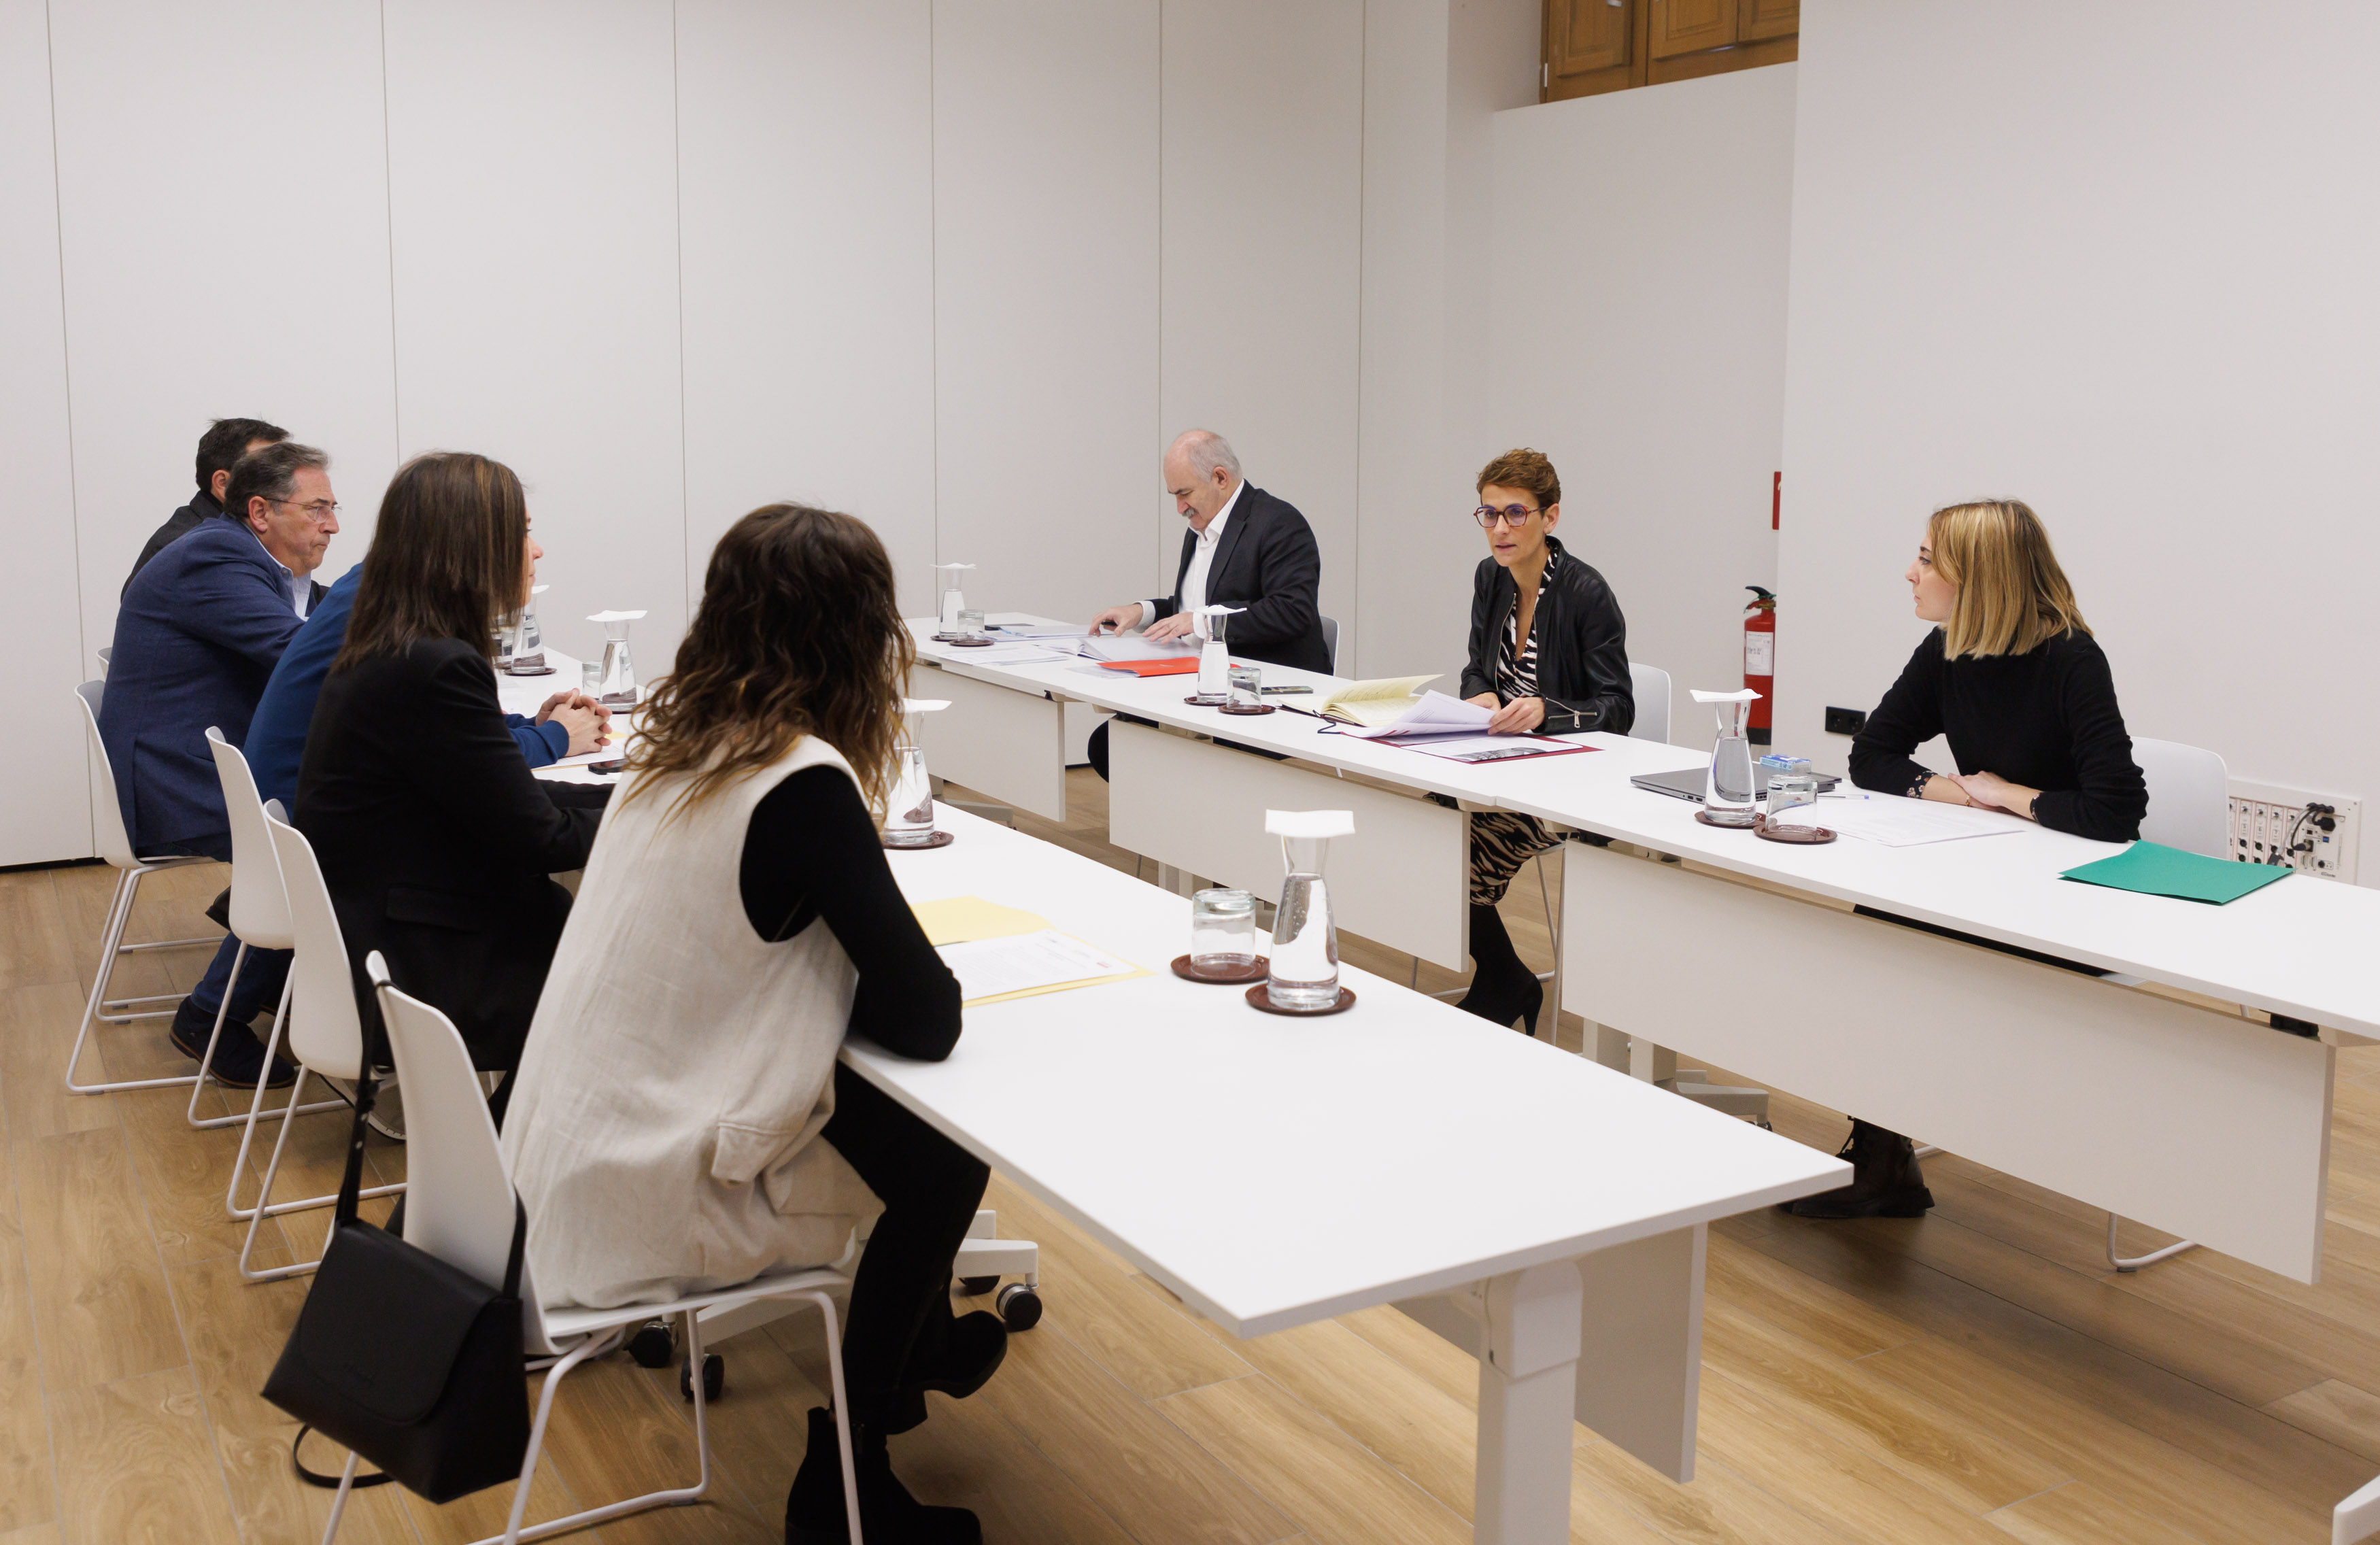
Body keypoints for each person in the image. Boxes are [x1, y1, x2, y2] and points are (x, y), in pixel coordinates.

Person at [501, 504, 996, 1545]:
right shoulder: (803, 783)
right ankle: (850, 1476)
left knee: (912, 1145)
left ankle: (916, 1357)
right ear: (861, 640)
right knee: (945, 1166)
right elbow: (929, 1018)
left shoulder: (678, 750)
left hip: (565, 1153)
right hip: (648, 1183)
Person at [1796, 498, 2146, 1220]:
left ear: (1976, 575)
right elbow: (1872, 754)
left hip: (2061, 902)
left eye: (1925, 559)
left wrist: (2010, 794)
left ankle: (1888, 1151)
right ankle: (1881, 1151)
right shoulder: (1950, 649)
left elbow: (2115, 810)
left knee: (1892, 946)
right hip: (1984, 874)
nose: (1909, 573)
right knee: (1874, 930)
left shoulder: (2070, 659)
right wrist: (1949, 794)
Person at [294, 453, 609, 1121]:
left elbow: (502, 800)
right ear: (474, 547)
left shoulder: (393, 645)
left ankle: (518, 1156)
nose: (537, 550)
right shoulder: (436, 667)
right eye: (522, 532)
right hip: (419, 964)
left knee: (573, 923)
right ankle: (521, 1166)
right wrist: (652, 809)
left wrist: (620, 795)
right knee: (616, 968)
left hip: (374, 930)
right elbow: (540, 837)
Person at [104, 441, 340, 1087]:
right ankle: (213, 1012)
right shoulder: (218, 556)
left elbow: (322, 628)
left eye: (332, 507)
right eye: (317, 508)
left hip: (200, 756)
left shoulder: (254, 559)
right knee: (325, 836)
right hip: (176, 777)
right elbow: (302, 655)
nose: (333, 524)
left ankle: (273, 955)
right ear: (259, 511)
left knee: (331, 816)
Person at [1454, 449, 1632, 1032]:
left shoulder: (1586, 592)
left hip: (1564, 784)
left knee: (1457, 855)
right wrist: (1481, 693)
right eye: (1488, 514)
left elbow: (1618, 708)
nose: (1500, 529)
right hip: (1497, 765)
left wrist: (1544, 713)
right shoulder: (1491, 577)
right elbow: (1477, 668)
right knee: (1422, 826)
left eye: (1515, 514)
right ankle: (1503, 975)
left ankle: (1504, 980)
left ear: (1550, 517)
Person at [243, 562, 610, 811]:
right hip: (329, 842)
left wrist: (531, 726)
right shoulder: (402, 621)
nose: (536, 550)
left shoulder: (376, 584)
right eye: (520, 530)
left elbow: (439, 732)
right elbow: (464, 761)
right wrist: (557, 737)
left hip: (305, 814)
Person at [1083, 429, 1328, 778]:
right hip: (1202, 683)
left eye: (1184, 493)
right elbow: (1195, 607)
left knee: (1135, 751)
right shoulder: (1200, 527)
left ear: (1220, 478)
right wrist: (1141, 611)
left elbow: (1292, 611)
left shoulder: (1279, 524)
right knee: (1108, 745)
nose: (1180, 507)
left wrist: (1201, 622)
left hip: (1259, 691)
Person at [123, 417, 288, 594]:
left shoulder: (239, 532)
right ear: (224, 484)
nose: (286, 484)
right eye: (268, 472)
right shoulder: (194, 548)